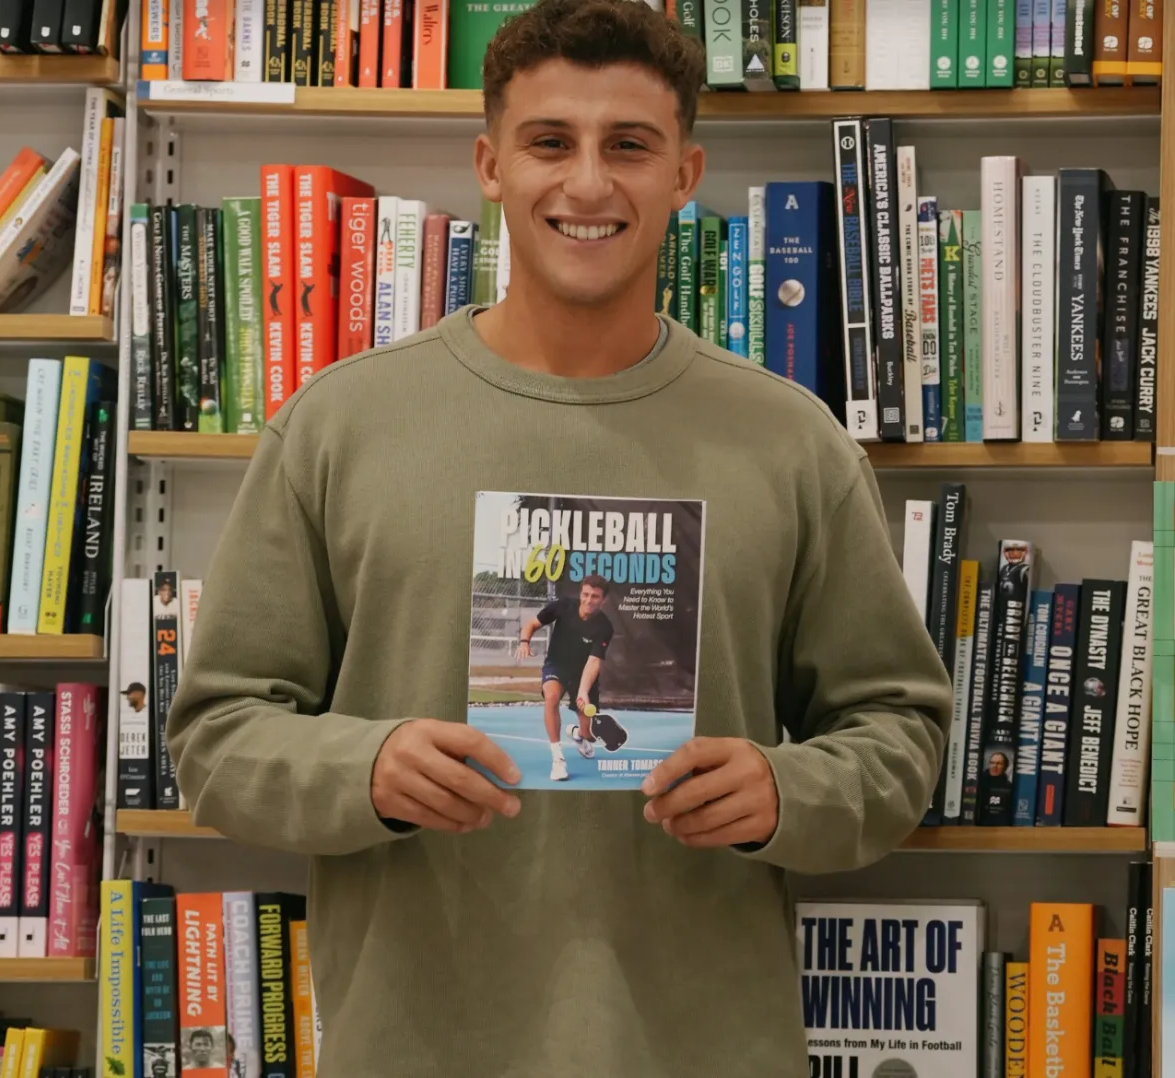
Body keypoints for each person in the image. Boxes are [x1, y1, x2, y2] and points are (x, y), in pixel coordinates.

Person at [165, 0, 952, 1073]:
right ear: (490, 165)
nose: (587, 184)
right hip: (416, 1049)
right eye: (549, 142)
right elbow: (215, 737)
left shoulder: (793, 443)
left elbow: (899, 732)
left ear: (684, 174)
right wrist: (366, 766)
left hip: (702, 1049)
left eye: (628, 145)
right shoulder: (338, 426)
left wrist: (789, 792)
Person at [516, 574, 614, 780]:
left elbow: (594, 661)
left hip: (582, 673)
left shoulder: (604, 627)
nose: (588, 600)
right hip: (557, 665)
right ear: (581, 593)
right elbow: (532, 624)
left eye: (595, 596)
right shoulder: (563, 606)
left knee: (590, 735)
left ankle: (578, 735)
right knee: (551, 697)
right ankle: (558, 759)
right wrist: (524, 641)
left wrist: (583, 692)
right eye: (585, 594)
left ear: (603, 600)